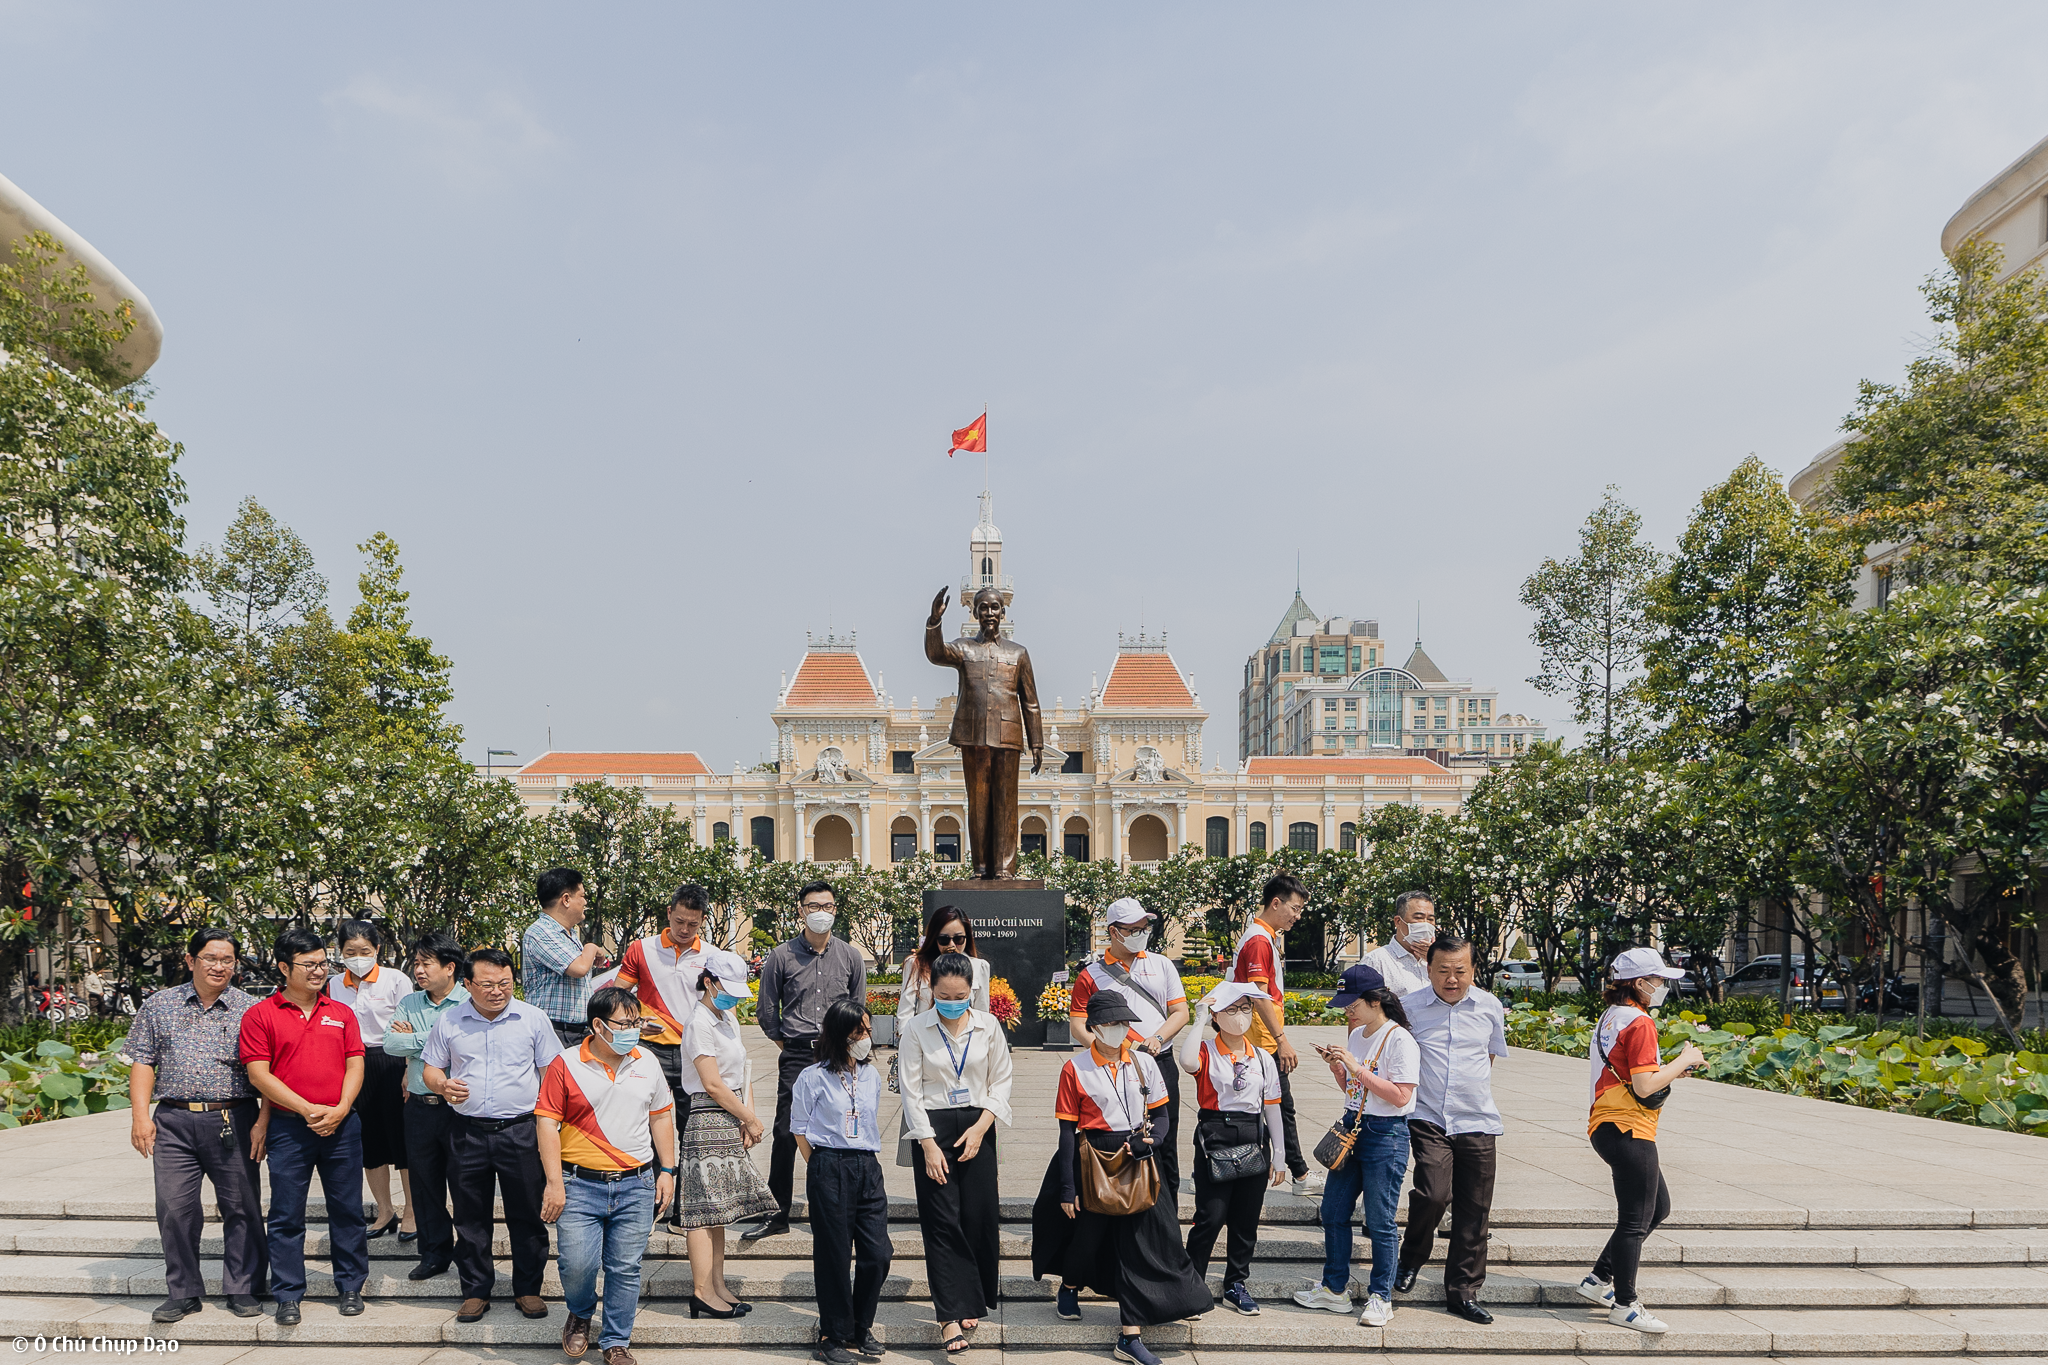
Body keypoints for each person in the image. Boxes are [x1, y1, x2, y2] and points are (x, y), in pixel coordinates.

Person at [1031, 988, 1211, 1365]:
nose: (1118, 1030)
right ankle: (1070, 1284)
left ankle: (1130, 1335)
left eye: (1123, 1023)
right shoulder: (1075, 1068)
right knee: (1087, 1238)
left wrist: (1154, 1142)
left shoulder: (1145, 1063)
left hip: (1139, 1157)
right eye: (1110, 1023)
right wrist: (1067, 1187)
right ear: (1093, 1027)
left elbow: (1161, 1115)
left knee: (1144, 1242)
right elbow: (1066, 1131)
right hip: (1093, 1159)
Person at [126, 927, 269, 1324]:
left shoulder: (251, 1009)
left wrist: (263, 1120)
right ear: (191, 960)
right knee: (174, 1207)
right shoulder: (160, 1005)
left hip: (232, 1117)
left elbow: (267, 1071)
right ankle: (183, 1291)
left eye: (227, 959)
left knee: (241, 1206)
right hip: (172, 1119)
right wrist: (140, 1116)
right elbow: (142, 1060)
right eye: (210, 958)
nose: (219, 966)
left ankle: (243, 1287)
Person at [421, 945, 564, 1324]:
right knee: (470, 1216)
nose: (497, 991)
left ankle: (528, 1289)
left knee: (528, 1214)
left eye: (505, 983)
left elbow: (552, 1071)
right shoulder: (450, 1021)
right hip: (466, 1132)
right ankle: (475, 1291)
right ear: (467, 984)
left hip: (520, 1130)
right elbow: (431, 1069)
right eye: (486, 984)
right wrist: (442, 1086)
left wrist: (550, 1122)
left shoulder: (533, 1019)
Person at [537, 985, 678, 1365]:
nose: (633, 1029)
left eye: (636, 1022)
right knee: (577, 1264)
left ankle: (616, 1341)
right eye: (624, 1023)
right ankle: (581, 1313)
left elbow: (662, 1115)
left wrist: (668, 1169)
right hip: (579, 1184)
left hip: (636, 1183)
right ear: (598, 1025)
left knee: (625, 1267)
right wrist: (554, 1183)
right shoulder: (565, 1063)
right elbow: (546, 1124)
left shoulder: (646, 1061)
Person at [237, 926, 369, 1326]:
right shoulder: (261, 1015)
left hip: (342, 1126)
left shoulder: (341, 1012)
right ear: (283, 967)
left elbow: (355, 1063)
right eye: (308, 964)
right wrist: (308, 1109)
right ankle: (288, 1294)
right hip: (288, 1128)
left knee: (347, 1209)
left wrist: (342, 1107)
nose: (318, 971)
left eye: (322, 963)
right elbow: (259, 1075)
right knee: (285, 1214)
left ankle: (350, 1287)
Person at [1576, 948, 1705, 1335]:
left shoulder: (1612, 1017)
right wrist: (1686, 1059)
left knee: (1658, 1208)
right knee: (1635, 1221)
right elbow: (1645, 1084)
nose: (1662, 986)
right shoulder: (1641, 1022)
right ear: (1639, 982)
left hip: (1607, 1124)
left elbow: (1634, 1075)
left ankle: (1598, 1279)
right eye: (1658, 980)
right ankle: (1626, 1305)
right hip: (1630, 1127)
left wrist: (1669, 1072)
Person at [1292, 964, 1419, 1328]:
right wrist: (1339, 1069)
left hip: (1387, 1135)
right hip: (1353, 1127)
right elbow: (1356, 1093)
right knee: (1332, 1211)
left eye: (1352, 1004)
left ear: (1375, 1000)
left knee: (1379, 1221)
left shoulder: (1400, 1040)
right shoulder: (1357, 1035)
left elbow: (1399, 1097)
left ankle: (1381, 1296)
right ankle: (1334, 1289)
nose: (1347, 1010)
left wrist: (1357, 1068)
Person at [900, 951, 1014, 1353]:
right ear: (932, 991)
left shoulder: (988, 1025)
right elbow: (911, 1091)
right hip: (933, 1127)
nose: (952, 1001)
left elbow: (1001, 1080)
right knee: (941, 1221)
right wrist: (928, 1144)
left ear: (972, 991)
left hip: (978, 1124)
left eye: (961, 994)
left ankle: (974, 1297)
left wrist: (982, 1128)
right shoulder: (916, 1028)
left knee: (979, 1216)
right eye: (944, 994)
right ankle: (949, 1317)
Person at [1395, 933, 1508, 1325]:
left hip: (1477, 1119)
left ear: (1474, 970)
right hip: (1427, 1116)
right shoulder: (1409, 1008)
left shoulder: (1490, 1007)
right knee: (1431, 1193)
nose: (1451, 979)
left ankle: (1463, 1293)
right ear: (1428, 970)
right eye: (1442, 970)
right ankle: (1410, 1259)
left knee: (1475, 1211)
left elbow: (1489, 1055)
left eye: (1460, 971)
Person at [749, 879, 867, 1242]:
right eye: (813, 906)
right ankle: (777, 1212)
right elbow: (767, 1010)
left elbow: (858, 1009)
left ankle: (846, 1206)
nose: (820, 912)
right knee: (786, 1131)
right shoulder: (781, 956)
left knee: (845, 1128)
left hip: (840, 1052)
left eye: (827, 906)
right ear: (800, 911)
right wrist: (788, 1043)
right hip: (798, 1051)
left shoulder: (850, 956)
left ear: (836, 909)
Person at [673, 949, 778, 1314]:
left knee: (719, 1211)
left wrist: (746, 1114)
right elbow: (712, 1084)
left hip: (729, 1114)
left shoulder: (726, 1015)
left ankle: (718, 1285)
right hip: (707, 1117)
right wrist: (748, 1118)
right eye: (727, 988)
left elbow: (741, 1071)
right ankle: (702, 1291)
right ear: (708, 982)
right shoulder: (698, 1021)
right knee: (703, 1211)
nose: (733, 996)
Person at [1175, 982, 1286, 1317]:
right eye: (1232, 1010)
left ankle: (1236, 1284)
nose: (1241, 1017)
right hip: (1215, 1132)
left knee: (1246, 1219)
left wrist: (1278, 1154)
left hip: (1253, 1135)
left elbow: (1273, 1107)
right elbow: (1187, 1061)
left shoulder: (1263, 1058)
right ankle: (1192, 1285)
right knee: (1211, 1217)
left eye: (1246, 1009)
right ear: (1216, 1015)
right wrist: (1196, 1020)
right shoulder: (1207, 1050)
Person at [1070, 898, 1190, 1200]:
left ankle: (1167, 1209)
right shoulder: (1091, 975)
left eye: (1144, 928)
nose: (1141, 933)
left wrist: (1157, 1039)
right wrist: (1114, 1050)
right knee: (1124, 1134)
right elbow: (1078, 1024)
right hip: (1115, 1067)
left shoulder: (1161, 964)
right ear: (1114, 931)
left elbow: (1180, 1012)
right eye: (1133, 929)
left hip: (1159, 1062)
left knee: (1165, 1137)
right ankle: (1125, 1198)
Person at [791, 999, 890, 1365]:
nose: (865, 1037)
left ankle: (860, 1325)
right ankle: (833, 1333)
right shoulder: (813, 1077)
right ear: (838, 1034)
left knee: (878, 1253)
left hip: (867, 1165)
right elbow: (799, 1129)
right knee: (833, 1254)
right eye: (857, 1031)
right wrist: (819, 1166)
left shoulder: (871, 1076)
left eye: (867, 1029)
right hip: (829, 1164)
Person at [614, 882, 713, 1227]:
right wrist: (638, 1021)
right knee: (645, 1126)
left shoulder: (710, 956)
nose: (685, 931)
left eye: (694, 925)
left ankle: (684, 1210)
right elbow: (617, 997)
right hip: (649, 1050)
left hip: (692, 1054)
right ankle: (651, 1205)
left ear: (703, 922)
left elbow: (719, 1006)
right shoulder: (641, 949)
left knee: (691, 1131)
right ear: (668, 912)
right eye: (680, 921)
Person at [383, 930, 470, 1281]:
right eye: (416, 964)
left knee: (466, 1185)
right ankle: (434, 1253)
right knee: (424, 1183)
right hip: (419, 1105)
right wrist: (436, 1037)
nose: (418, 971)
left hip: (460, 1108)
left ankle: (470, 1252)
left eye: (426, 964)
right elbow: (390, 1043)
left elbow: (467, 1044)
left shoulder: (469, 1001)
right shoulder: (410, 1003)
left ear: (449, 967)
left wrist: (415, 1039)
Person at [328, 918, 414, 1240]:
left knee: (401, 1138)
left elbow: (410, 1025)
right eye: (351, 951)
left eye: (365, 950)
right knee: (370, 1141)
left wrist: (408, 1068)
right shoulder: (334, 984)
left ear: (378, 949)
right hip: (354, 1063)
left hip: (392, 1061)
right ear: (341, 953)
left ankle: (411, 1211)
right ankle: (385, 1210)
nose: (358, 956)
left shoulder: (395, 980)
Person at [1229, 872, 1313, 1193]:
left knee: (1263, 1107)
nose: (1297, 916)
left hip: (1257, 1037)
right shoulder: (1259, 941)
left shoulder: (1263, 936)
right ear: (1275, 903)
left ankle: (1295, 1172)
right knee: (1279, 1106)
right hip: (1262, 1040)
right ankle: (1300, 1175)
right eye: (1294, 908)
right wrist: (1281, 1040)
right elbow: (1258, 994)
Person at [525, 867, 605, 1049]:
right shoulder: (541, 931)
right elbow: (579, 968)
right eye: (582, 896)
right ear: (566, 899)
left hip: (575, 1031)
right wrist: (591, 947)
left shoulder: (567, 934)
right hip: (554, 1031)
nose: (585, 902)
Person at [896, 904, 992, 1018]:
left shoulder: (979, 967)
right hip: (925, 1033)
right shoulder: (915, 964)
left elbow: (982, 1014)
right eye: (944, 939)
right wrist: (907, 1035)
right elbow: (905, 1013)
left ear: (967, 937)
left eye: (958, 939)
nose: (951, 945)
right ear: (934, 938)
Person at [1363, 891, 1437, 1000]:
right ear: (1398, 921)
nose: (1425, 924)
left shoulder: (1438, 959)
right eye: (1418, 917)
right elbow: (1361, 1006)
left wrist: (1437, 961)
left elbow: (1467, 993)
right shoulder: (1376, 961)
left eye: (1430, 919)